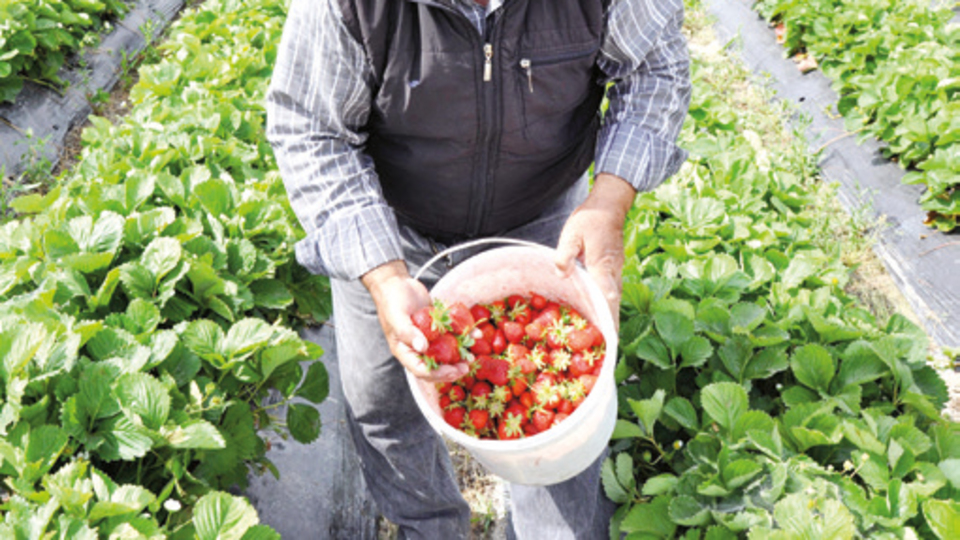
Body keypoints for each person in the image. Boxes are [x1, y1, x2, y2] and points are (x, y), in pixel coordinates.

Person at [266, 0, 691, 537]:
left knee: (556, 427)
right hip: (391, 224)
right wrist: (383, 273)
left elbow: (655, 65)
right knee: (381, 406)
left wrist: (608, 202)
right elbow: (311, 129)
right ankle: (430, 528)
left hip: (542, 218)